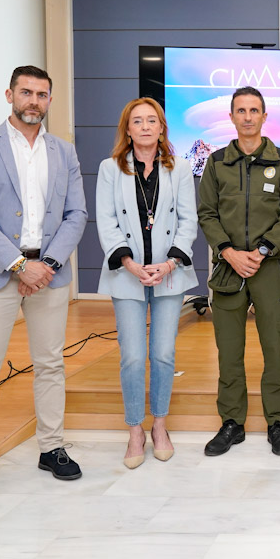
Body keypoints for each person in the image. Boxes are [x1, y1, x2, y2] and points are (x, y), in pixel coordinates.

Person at [0, 66, 87, 506]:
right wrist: (18, 265)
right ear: (10, 95)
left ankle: (52, 447)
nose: (34, 101)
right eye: (26, 92)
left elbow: (76, 215)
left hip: (48, 273)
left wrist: (45, 265)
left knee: (50, 363)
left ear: (50, 100)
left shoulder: (64, 151)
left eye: (42, 94)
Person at [196, 86, 280, 457]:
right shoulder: (216, 163)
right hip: (228, 269)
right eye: (240, 110)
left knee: (275, 349)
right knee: (229, 350)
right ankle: (232, 422)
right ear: (231, 117)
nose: (247, 117)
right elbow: (207, 213)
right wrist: (228, 252)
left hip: (267, 267)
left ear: (264, 116)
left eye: (254, 110)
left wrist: (260, 251)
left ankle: (276, 422)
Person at [95, 98, 198, 468]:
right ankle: (135, 429)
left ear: (161, 128)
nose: (144, 127)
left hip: (169, 273)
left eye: (151, 120)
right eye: (137, 121)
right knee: (134, 356)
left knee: (164, 354)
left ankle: (160, 426)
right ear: (127, 129)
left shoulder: (179, 168)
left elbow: (188, 220)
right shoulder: (110, 168)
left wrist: (170, 263)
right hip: (128, 273)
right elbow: (106, 220)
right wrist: (129, 263)